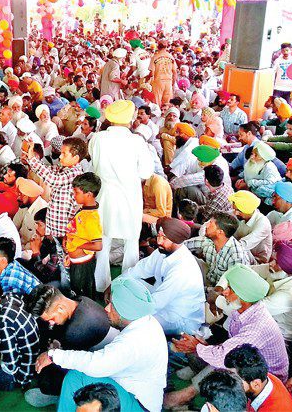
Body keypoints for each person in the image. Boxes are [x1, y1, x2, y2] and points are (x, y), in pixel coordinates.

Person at [167, 264, 289, 407]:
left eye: (230, 288)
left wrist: (197, 347)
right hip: (245, 361)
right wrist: (201, 346)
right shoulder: (245, 310)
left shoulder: (257, 327)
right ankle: (198, 372)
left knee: (219, 359)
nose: (224, 292)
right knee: (203, 344)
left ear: (243, 295)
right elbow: (230, 346)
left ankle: (187, 394)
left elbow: (225, 357)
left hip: (265, 378)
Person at [38, 277, 167, 412]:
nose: (106, 308)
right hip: (133, 388)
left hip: (139, 404)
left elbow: (97, 365)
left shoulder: (133, 341)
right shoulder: (146, 320)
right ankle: (64, 398)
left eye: (112, 305)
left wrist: (53, 355)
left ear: (125, 310)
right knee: (76, 376)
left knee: (77, 376)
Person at [89, 100, 155, 291]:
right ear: (131, 118)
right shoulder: (136, 141)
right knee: (131, 242)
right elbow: (145, 172)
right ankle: (128, 287)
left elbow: (94, 165)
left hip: (104, 196)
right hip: (129, 197)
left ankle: (100, 285)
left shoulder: (98, 138)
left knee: (103, 239)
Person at [121, 218, 204, 335]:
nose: (159, 241)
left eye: (164, 238)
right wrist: (116, 283)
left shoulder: (182, 269)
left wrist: (125, 314)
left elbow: (157, 303)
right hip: (162, 301)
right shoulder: (163, 251)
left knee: (134, 324)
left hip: (180, 318)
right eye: (159, 236)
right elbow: (139, 270)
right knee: (129, 283)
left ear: (177, 241)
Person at [224, 344, 292, 412]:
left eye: (235, 380)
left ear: (256, 384)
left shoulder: (272, 409)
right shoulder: (263, 376)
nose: (227, 383)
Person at [185, 212, 254, 284]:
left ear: (220, 232)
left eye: (210, 223)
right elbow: (185, 245)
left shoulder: (237, 256)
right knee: (183, 254)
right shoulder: (208, 240)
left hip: (219, 290)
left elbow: (234, 286)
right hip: (208, 275)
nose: (206, 225)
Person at [65, 172, 103, 297]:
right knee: (77, 291)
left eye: (76, 192)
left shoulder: (91, 218)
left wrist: (78, 245)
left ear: (88, 195)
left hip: (83, 264)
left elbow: (98, 246)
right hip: (76, 261)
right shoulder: (84, 209)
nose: (74, 195)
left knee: (82, 296)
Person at [228, 190, 273, 264]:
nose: (235, 213)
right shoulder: (238, 214)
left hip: (256, 261)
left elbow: (242, 246)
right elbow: (221, 218)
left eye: (238, 211)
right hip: (239, 251)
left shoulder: (263, 223)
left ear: (247, 210)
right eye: (235, 209)